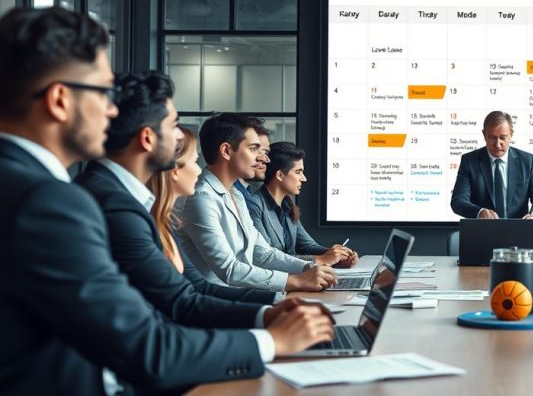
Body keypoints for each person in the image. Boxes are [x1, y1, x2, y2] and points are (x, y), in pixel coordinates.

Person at [0, 7, 334, 396]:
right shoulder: (48, 203)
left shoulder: (32, 188)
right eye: (103, 93)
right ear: (60, 99)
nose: (113, 111)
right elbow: (147, 347)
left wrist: (264, 317)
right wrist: (274, 340)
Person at [76, 71, 310, 330]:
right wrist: (273, 325)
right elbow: (181, 303)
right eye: (173, 125)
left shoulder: (145, 207)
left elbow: (193, 289)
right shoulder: (117, 205)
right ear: (147, 138)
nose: (179, 135)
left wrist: (273, 307)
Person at [178, 112, 337, 292]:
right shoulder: (201, 198)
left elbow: (262, 253)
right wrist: (297, 281)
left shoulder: (236, 195)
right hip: (218, 304)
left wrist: (308, 268)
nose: (261, 158)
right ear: (226, 151)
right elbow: (229, 270)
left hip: (244, 296)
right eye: (254, 149)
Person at [150, 127, 280, 304]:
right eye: (194, 161)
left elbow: (197, 288)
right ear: (174, 170)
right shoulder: (199, 198)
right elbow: (220, 278)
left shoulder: (163, 223)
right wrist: (274, 305)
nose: (198, 171)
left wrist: (277, 301)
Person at [252, 141, 358, 267]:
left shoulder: (288, 206)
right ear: (280, 175)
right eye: (298, 172)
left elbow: (307, 246)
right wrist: (322, 259)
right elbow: (269, 258)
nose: (304, 178)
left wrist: (336, 255)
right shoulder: (254, 205)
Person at [450, 110, 533, 219]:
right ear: (484, 135)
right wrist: (479, 212)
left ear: (511, 134)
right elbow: (458, 201)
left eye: (503, 137)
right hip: (482, 232)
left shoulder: (527, 161)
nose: (498, 144)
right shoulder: (469, 161)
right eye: (492, 138)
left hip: (519, 232)